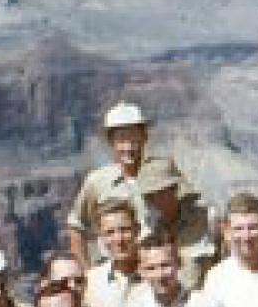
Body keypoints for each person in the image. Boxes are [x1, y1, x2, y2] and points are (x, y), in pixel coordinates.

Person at [66, 101, 179, 268]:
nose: (129, 147)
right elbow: (76, 226)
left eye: (134, 139)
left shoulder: (163, 177)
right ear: (110, 142)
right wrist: (87, 272)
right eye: (121, 140)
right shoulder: (98, 182)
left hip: (156, 269)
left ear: (144, 137)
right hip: (115, 269)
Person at [134, 158, 220, 291]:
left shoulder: (207, 219)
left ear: (174, 189)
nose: (157, 200)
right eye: (150, 195)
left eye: (162, 192)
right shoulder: (145, 231)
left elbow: (225, 262)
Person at [83, 195, 143, 307]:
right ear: (101, 237)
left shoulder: (157, 275)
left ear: (137, 230)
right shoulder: (91, 282)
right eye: (110, 232)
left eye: (125, 230)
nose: (119, 239)